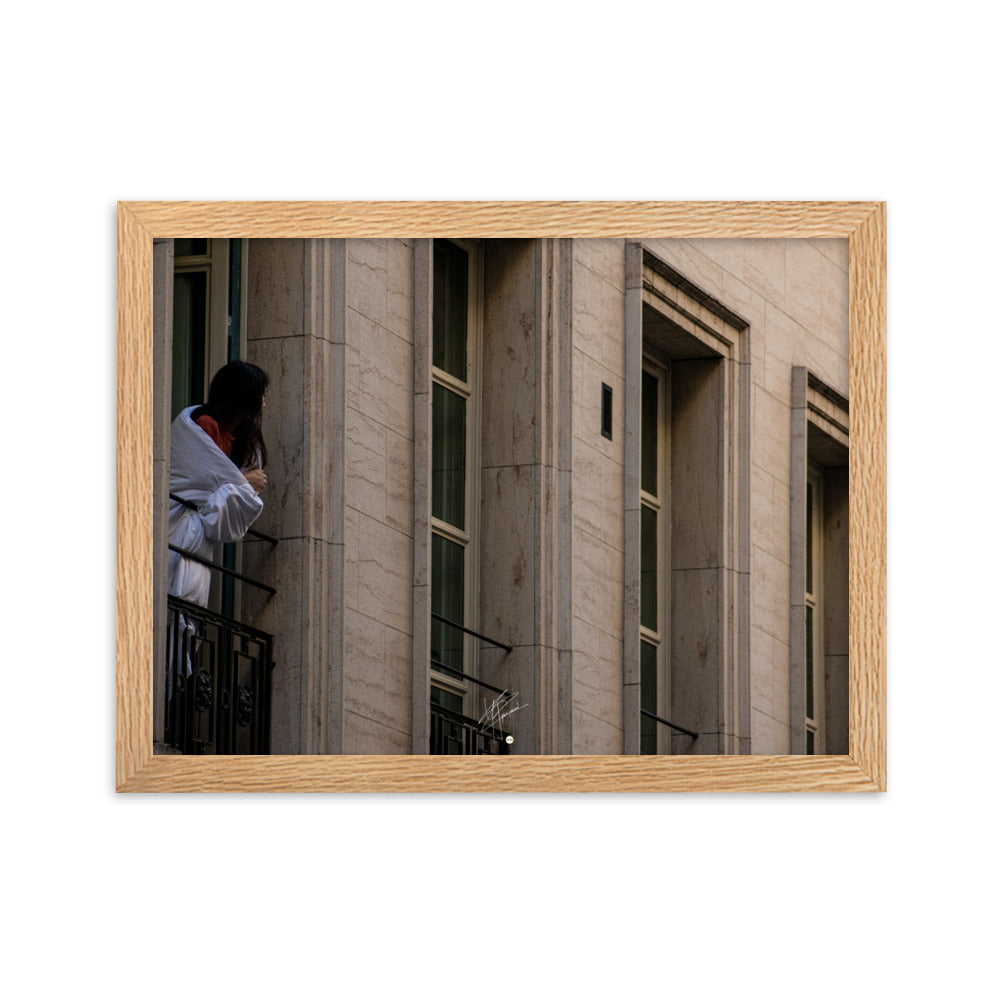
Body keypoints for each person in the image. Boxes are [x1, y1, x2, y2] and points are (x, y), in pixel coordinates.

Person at [167, 360, 270, 607]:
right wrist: (244, 483)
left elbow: (219, 487)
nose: (264, 401)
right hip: (179, 525)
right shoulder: (206, 426)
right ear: (245, 396)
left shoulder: (235, 437)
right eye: (261, 394)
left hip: (198, 537)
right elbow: (202, 480)